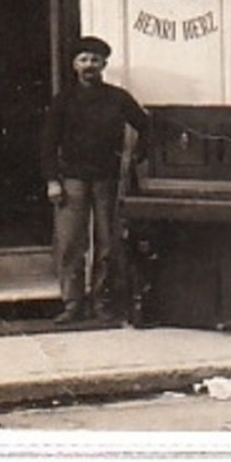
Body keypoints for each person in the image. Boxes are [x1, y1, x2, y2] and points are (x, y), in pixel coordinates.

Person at [40, 36, 150, 325]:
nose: (89, 65)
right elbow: (48, 144)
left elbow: (146, 126)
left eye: (95, 60)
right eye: (84, 59)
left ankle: (102, 303)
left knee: (107, 244)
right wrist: (52, 180)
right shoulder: (63, 100)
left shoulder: (118, 97)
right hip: (71, 181)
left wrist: (138, 155)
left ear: (104, 65)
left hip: (107, 181)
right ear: (75, 65)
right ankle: (73, 304)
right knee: (70, 244)